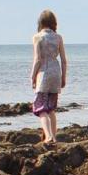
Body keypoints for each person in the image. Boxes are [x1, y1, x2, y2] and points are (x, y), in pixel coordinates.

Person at [29, 9, 68, 144]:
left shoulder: (37, 37)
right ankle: (54, 136)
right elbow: (63, 60)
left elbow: (38, 59)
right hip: (56, 73)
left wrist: (32, 76)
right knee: (51, 108)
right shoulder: (58, 37)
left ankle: (48, 136)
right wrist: (64, 77)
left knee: (41, 109)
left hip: (44, 74)